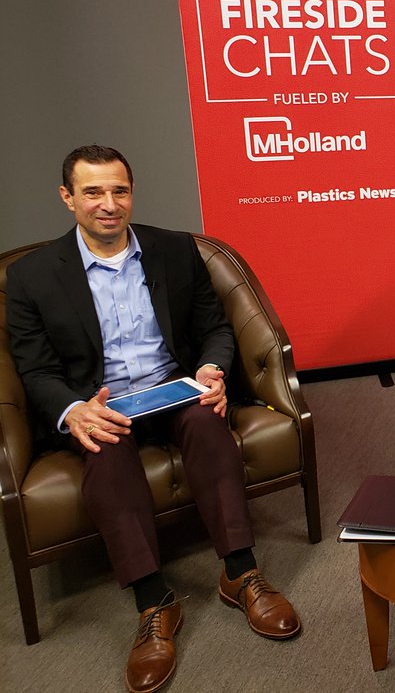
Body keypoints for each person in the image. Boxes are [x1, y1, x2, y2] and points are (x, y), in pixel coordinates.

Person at [6, 145, 301, 693]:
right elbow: (35, 369)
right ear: (68, 198)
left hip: (172, 385)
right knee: (105, 450)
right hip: (101, 402)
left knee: (209, 423)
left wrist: (211, 368)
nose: (109, 204)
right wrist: (74, 410)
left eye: (119, 190)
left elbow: (214, 327)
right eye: (93, 192)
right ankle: (153, 601)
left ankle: (241, 572)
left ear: (132, 193)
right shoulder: (31, 277)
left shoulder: (174, 249)